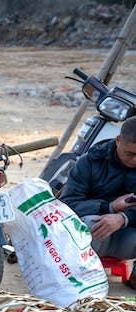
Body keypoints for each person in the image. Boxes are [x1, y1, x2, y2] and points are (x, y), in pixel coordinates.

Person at [61, 116, 136, 290]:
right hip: (91, 239)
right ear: (118, 141)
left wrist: (122, 218)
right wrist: (108, 207)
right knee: (91, 221)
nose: (135, 160)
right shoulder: (89, 162)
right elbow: (67, 204)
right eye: (130, 154)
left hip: (128, 237)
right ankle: (82, 278)